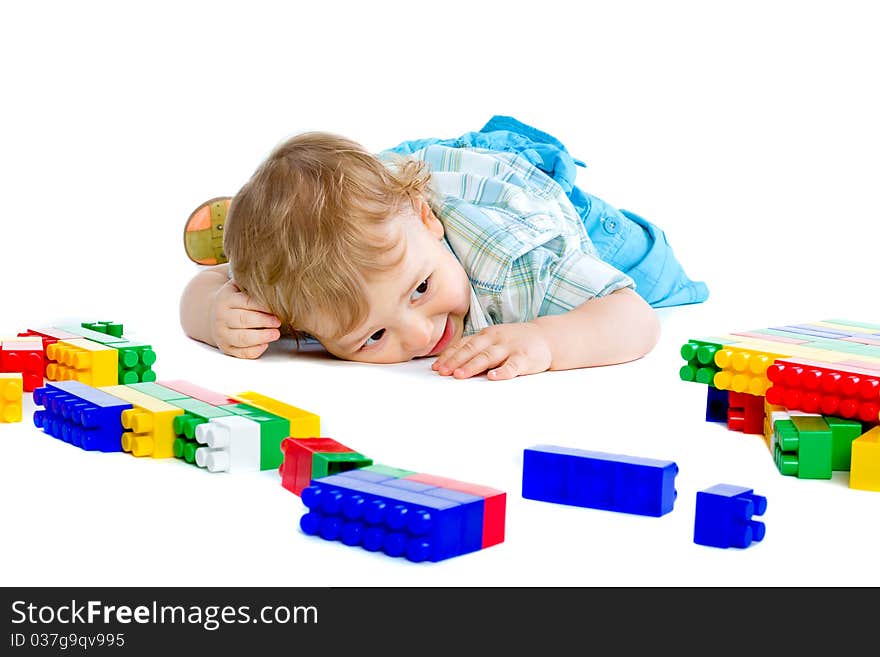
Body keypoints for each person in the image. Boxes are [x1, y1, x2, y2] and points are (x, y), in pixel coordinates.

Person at [179, 119, 704, 380]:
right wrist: (215, 310)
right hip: (413, 183)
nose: (423, 332)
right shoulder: (318, 287)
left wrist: (545, 340)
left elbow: (634, 318)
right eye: (373, 336)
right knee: (301, 229)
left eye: (422, 289)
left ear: (427, 219)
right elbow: (200, 295)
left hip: (527, 199)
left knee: (659, 281)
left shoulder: (520, 261)